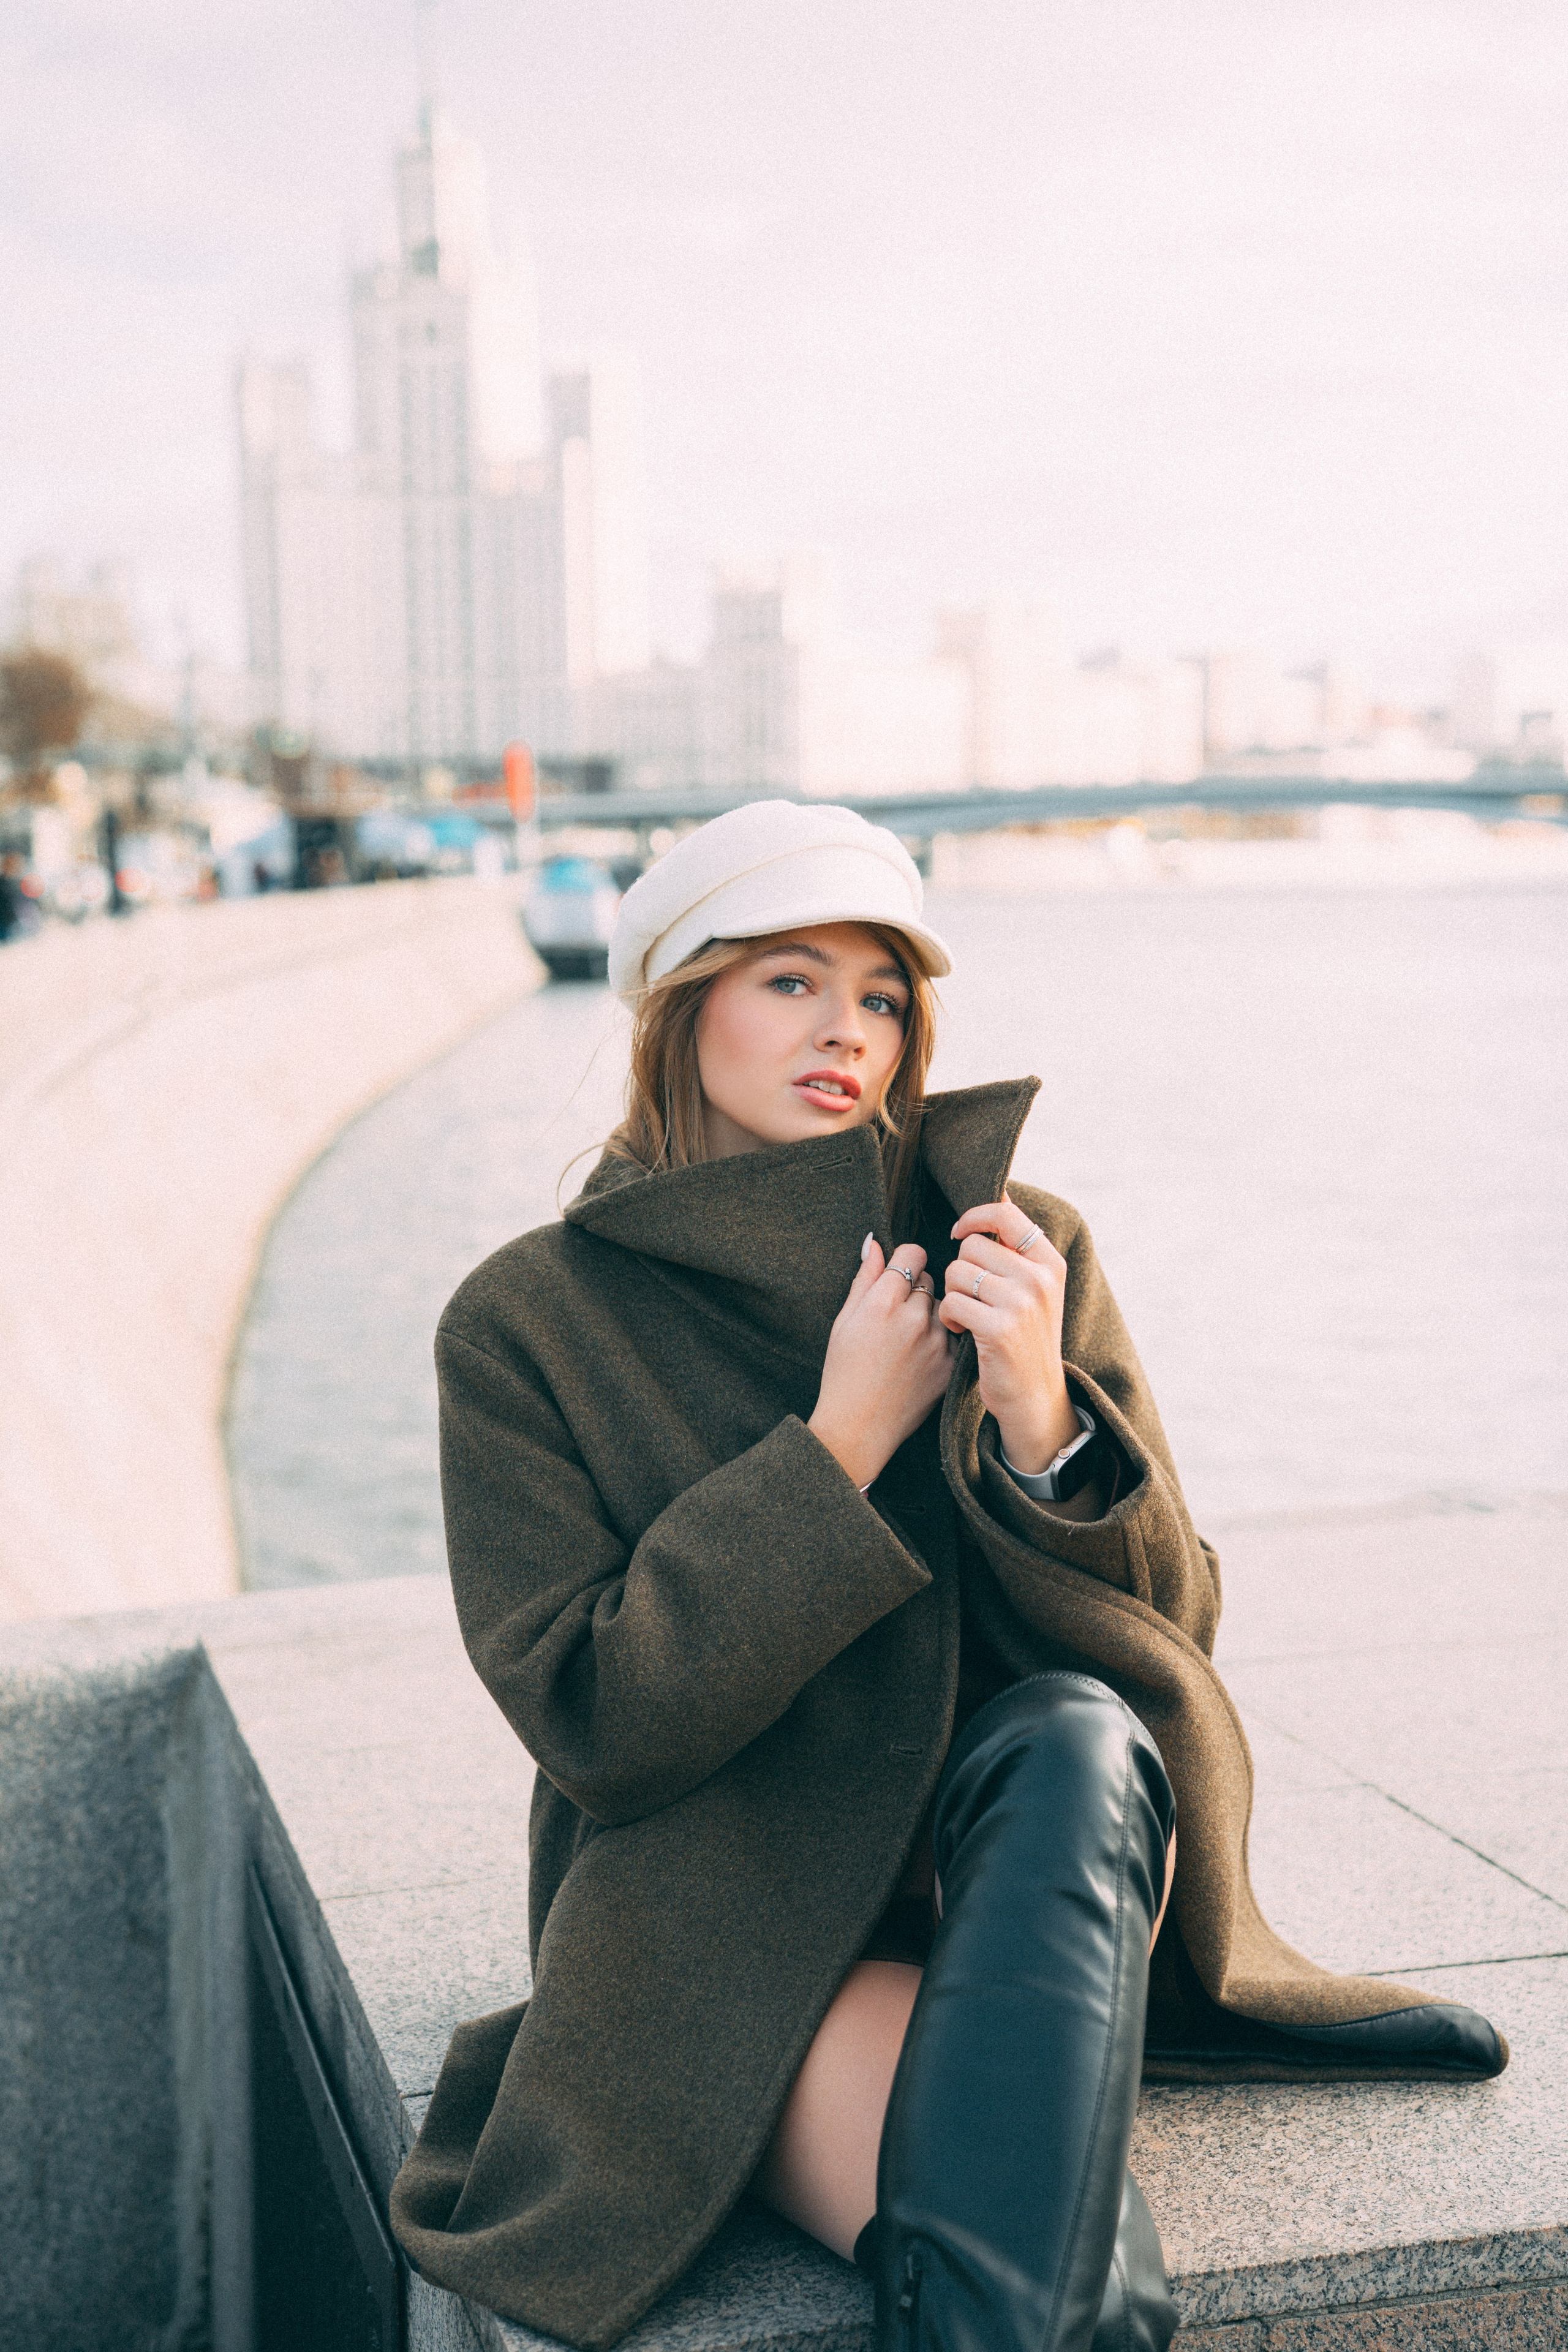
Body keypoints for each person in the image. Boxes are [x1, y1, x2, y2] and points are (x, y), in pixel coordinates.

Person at [390, 802, 1506, 2352]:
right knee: (1036, 2290)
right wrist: (836, 1445)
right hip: (739, 1901)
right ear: (678, 1003)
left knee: (1075, 1733)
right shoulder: (530, 1319)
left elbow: (1168, 1636)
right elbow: (597, 1724)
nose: (844, 1029)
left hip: (1038, 1858)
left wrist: (1039, 1408)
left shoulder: (1018, 1243)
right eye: (788, 981)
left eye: (881, 995)